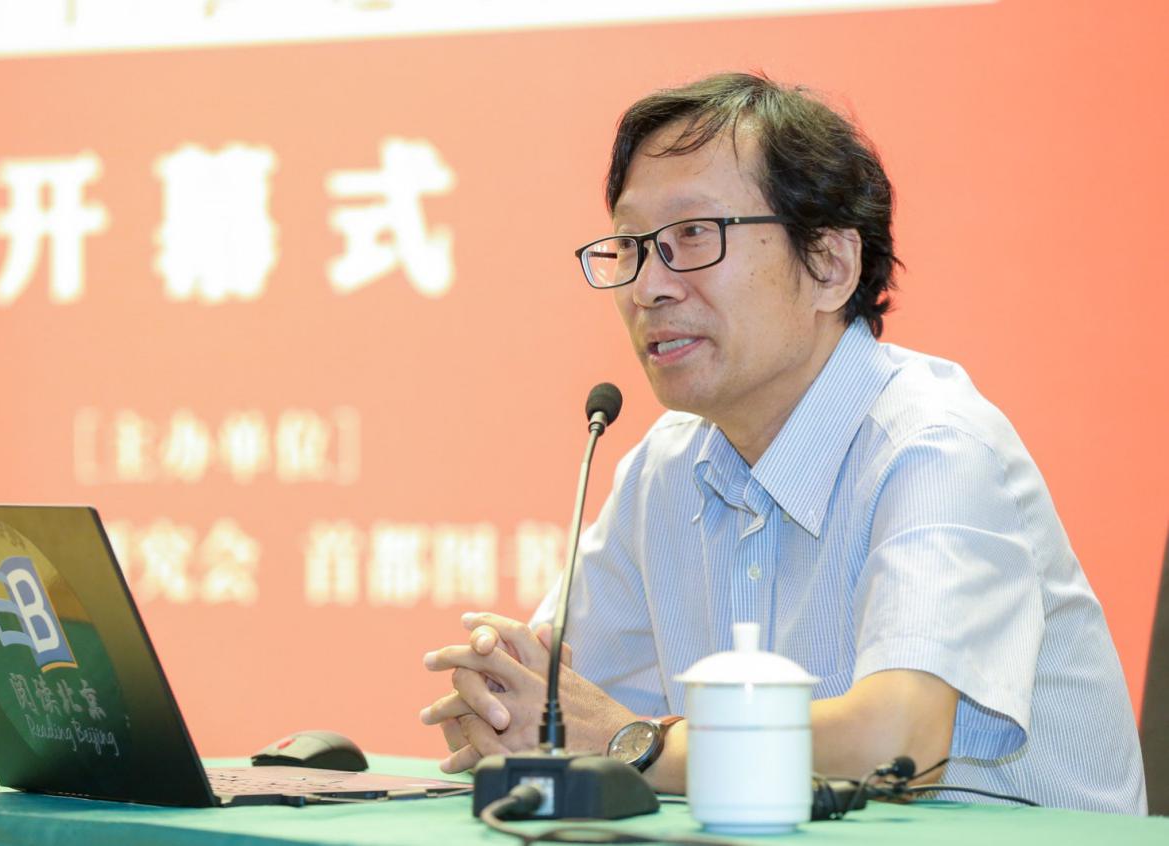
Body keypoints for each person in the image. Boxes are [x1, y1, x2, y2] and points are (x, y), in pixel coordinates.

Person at [419, 72, 1147, 814]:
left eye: (692, 235)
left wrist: (631, 745)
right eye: (632, 246)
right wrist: (504, 702)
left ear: (830, 264)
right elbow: (559, 705)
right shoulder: (665, 468)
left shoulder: (934, 446)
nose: (647, 287)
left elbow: (896, 745)